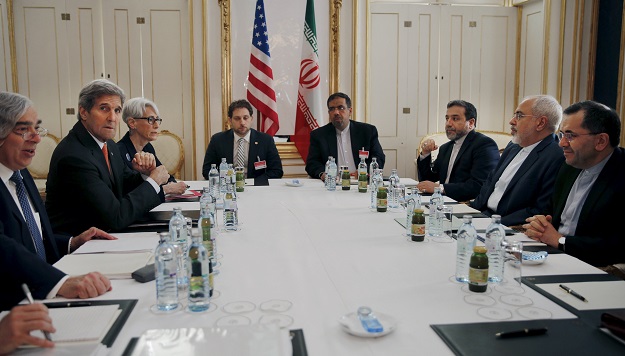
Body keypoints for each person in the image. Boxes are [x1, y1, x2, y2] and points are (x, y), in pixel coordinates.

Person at [0, 92, 112, 311]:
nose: (36, 138)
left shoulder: (21, 176)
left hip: (46, 297)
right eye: (24, 130)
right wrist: (60, 282)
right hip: (14, 308)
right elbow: (4, 248)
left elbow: (30, 240)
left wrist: (71, 243)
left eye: (36, 128)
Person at [45, 79, 170, 235]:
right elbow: (116, 216)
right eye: (104, 108)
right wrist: (154, 181)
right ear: (84, 112)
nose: (112, 118)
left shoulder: (108, 144)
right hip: (81, 247)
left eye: (117, 110)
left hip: (107, 236)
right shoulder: (74, 156)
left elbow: (123, 184)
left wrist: (146, 175)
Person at [524, 100, 625, 268]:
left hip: (593, 267)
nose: (561, 143)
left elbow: (617, 246)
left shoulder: (620, 174)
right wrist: (540, 224)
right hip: (551, 255)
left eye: (570, 136)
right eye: (562, 134)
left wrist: (560, 241)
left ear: (601, 141)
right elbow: (549, 212)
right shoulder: (569, 166)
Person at [470, 95, 564, 226]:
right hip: (482, 216)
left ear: (541, 123)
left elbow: (539, 210)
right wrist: (469, 214)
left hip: (509, 227)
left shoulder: (557, 157)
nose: (511, 121)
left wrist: (491, 224)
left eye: (519, 116)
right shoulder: (513, 146)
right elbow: (490, 183)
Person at [416, 100, 499, 201]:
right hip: (440, 202)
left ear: (471, 123)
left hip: (466, 205)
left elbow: (479, 186)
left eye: (455, 119)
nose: (448, 124)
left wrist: (440, 188)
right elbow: (426, 181)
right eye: (447, 118)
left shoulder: (484, 145)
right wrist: (425, 154)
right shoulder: (445, 148)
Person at [306, 92, 385, 180]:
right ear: (329, 112)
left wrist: (364, 172)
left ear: (350, 111)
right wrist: (323, 174)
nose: (336, 112)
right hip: (332, 184)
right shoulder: (319, 135)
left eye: (341, 108)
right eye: (332, 109)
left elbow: (378, 157)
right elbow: (312, 163)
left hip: (360, 182)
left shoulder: (367, 131)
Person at [117, 97, 187, 195]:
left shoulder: (148, 147)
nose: (157, 125)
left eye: (157, 120)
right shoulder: (118, 151)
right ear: (132, 123)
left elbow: (165, 175)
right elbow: (131, 190)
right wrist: (167, 189)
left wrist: (169, 184)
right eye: (150, 119)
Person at [201, 99, 283, 181]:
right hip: (227, 187)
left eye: (245, 118)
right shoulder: (217, 140)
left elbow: (276, 171)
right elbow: (207, 170)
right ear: (230, 120)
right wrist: (226, 182)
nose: (242, 122)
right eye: (237, 118)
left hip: (256, 188)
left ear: (251, 119)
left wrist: (254, 183)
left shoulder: (266, 140)